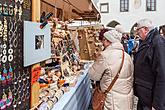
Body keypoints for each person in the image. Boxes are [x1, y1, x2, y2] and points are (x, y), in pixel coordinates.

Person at [89, 29, 134, 110]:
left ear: (107, 40)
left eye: (103, 40)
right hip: (126, 99)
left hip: (112, 100)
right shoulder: (126, 56)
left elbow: (93, 75)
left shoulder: (105, 56)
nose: (102, 43)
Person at [134, 19, 165, 110]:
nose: (137, 33)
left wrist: (157, 104)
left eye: (138, 30)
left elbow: (162, 74)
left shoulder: (157, 42)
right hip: (145, 96)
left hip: (150, 97)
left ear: (146, 29)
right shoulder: (147, 41)